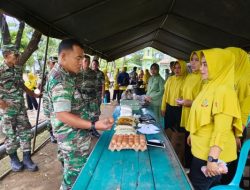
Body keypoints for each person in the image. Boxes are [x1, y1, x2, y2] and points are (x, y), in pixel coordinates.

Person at [46, 39, 113, 190]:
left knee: (69, 172)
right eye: (78, 58)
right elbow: (62, 114)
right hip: (71, 137)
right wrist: (94, 124)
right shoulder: (61, 79)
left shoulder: (65, 74)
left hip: (70, 134)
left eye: (83, 58)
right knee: (75, 179)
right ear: (63, 57)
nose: (81, 62)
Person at [187, 48, 242, 190]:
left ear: (219, 66)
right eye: (202, 63)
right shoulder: (209, 85)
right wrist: (193, 134)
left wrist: (212, 160)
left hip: (211, 156)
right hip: (201, 151)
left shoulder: (224, 90)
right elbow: (202, 114)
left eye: (206, 64)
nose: (200, 68)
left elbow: (221, 129)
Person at [0, 44, 39, 172]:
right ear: (6, 56)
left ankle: (27, 158)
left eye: (18, 54)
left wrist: (33, 94)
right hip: (7, 110)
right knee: (10, 134)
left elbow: (21, 85)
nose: (18, 57)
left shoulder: (17, 69)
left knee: (26, 132)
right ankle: (14, 159)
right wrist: (1, 103)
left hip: (21, 108)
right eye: (15, 55)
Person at [177, 51, 202, 169]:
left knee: (195, 149)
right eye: (192, 59)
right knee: (188, 145)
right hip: (187, 115)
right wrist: (182, 99)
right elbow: (185, 92)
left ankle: (193, 173)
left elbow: (205, 101)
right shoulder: (190, 76)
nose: (193, 62)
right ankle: (188, 170)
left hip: (197, 118)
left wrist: (190, 102)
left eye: (197, 60)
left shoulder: (204, 77)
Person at [161, 60, 187, 165]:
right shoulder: (170, 79)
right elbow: (165, 94)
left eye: (179, 67)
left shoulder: (186, 80)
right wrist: (163, 108)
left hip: (180, 110)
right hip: (169, 109)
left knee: (178, 140)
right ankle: (169, 160)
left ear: (184, 68)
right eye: (175, 67)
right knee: (168, 136)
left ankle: (179, 163)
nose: (177, 70)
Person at [42, 56, 58, 143]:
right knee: (48, 118)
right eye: (53, 63)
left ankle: (56, 133)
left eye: (56, 63)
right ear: (49, 64)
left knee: (56, 117)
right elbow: (40, 86)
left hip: (54, 99)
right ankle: (51, 134)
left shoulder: (58, 73)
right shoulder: (46, 74)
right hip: (47, 100)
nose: (55, 64)